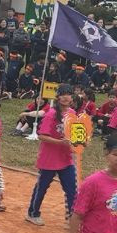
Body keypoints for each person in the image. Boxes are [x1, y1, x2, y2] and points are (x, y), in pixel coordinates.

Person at [26, 86, 78, 225]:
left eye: (69, 94)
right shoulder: (51, 114)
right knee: (42, 187)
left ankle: (72, 217)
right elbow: (42, 136)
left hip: (66, 158)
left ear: (72, 97)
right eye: (63, 94)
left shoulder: (72, 113)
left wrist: (78, 142)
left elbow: (75, 133)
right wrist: (61, 142)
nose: (66, 97)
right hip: (49, 159)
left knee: (72, 189)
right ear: (58, 97)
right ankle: (32, 213)